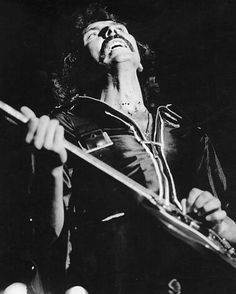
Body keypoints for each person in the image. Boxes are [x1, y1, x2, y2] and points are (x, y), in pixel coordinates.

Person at [20, 3, 236, 294]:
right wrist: (50, 170)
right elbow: (49, 242)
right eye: (94, 34)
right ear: (79, 65)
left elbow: (227, 226)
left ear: (140, 59)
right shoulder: (64, 126)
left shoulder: (188, 131)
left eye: (120, 29)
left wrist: (221, 224)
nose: (111, 30)